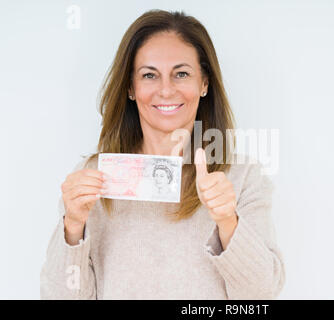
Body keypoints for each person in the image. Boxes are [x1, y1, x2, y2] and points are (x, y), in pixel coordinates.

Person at [40, 9, 285, 299]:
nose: (166, 90)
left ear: (204, 83)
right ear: (130, 87)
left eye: (181, 74)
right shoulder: (95, 177)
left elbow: (261, 296)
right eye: (149, 75)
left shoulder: (242, 177)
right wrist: (73, 227)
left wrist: (227, 223)